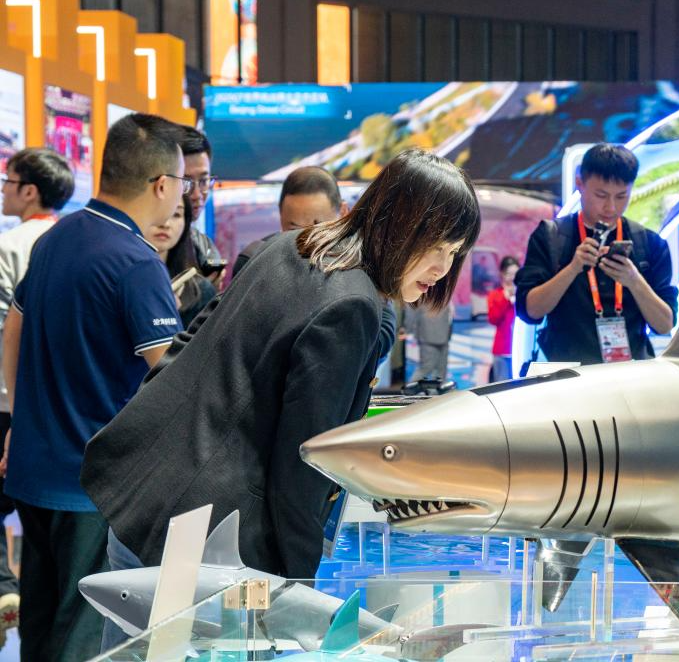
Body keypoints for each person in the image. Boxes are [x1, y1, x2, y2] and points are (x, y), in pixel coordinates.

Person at [80, 151, 479, 616]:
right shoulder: (352, 305)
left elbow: (185, 347)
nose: (443, 268)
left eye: (454, 253)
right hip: (207, 548)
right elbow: (303, 465)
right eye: (437, 246)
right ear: (401, 225)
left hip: (146, 503)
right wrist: (297, 586)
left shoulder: (288, 245)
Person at [0, 113, 185, 660]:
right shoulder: (135, 262)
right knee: (86, 637)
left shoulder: (56, 239)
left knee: (40, 627)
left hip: (35, 472)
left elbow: (13, 328)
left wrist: (19, 420)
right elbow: (172, 374)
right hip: (95, 486)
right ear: (161, 184)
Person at [0, 147, 75, 641]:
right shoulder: (71, 242)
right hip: (61, 407)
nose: (4, 191)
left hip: (9, 398)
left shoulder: (10, 245)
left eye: (8, 182)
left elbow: (5, 326)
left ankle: (5, 584)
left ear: (29, 191)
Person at [515, 143, 677, 365]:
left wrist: (634, 281)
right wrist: (572, 269)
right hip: (568, 374)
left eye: (621, 196)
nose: (611, 207)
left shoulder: (649, 243)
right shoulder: (552, 237)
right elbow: (530, 311)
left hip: (630, 373)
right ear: (579, 183)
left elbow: (665, 324)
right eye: (601, 195)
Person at [230, 165, 397, 361]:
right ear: (280, 216)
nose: (306, 239)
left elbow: (384, 330)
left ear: (343, 212)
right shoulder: (255, 260)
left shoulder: (358, 261)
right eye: (293, 229)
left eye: (318, 227)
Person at [146, 195, 217, 329]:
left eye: (176, 214)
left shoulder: (200, 291)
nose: (165, 224)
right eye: (157, 211)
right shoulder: (118, 279)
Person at [178, 125, 226, 283]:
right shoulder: (152, 244)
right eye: (186, 182)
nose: (197, 195)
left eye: (204, 181)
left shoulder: (205, 245)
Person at [487, 256, 519, 381]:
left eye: (515, 273)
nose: (512, 277)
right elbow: (493, 319)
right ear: (502, 274)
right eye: (509, 274)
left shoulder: (524, 295)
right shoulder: (495, 294)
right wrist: (505, 298)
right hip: (502, 349)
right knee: (501, 385)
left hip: (520, 349)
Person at [405, 303, 454, 382]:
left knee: (441, 371)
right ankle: (410, 388)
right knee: (426, 368)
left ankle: (437, 389)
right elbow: (412, 314)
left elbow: (449, 317)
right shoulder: (423, 298)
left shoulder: (444, 298)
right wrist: (408, 330)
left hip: (443, 337)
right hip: (428, 338)